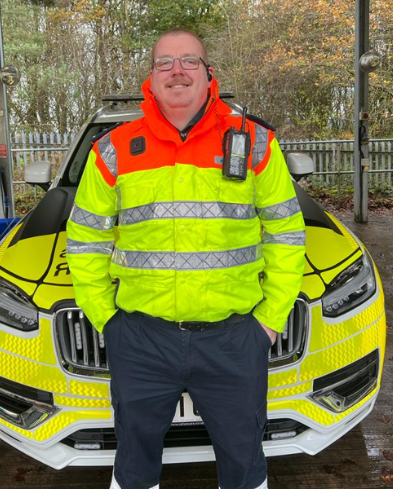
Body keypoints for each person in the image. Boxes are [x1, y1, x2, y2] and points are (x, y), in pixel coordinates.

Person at [66, 27, 305, 489]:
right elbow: (85, 241)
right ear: (151, 80)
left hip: (235, 339)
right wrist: (108, 321)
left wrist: (269, 321)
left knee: (244, 465)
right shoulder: (113, 150)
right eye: (165, 63)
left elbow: (286, 233)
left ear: (209, 74)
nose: (177, 70)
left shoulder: (255, 144)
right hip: (140, 339)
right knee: (134, 468)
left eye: (190, 60)